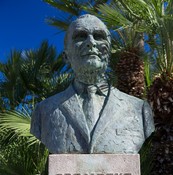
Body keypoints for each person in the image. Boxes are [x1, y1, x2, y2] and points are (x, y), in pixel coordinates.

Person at [30, 14, 154, 154]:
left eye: (99, 36)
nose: (91, 42)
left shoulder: (139, 109)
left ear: (108, 51)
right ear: (66, 56)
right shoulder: (43, 111)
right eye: (81, 36)